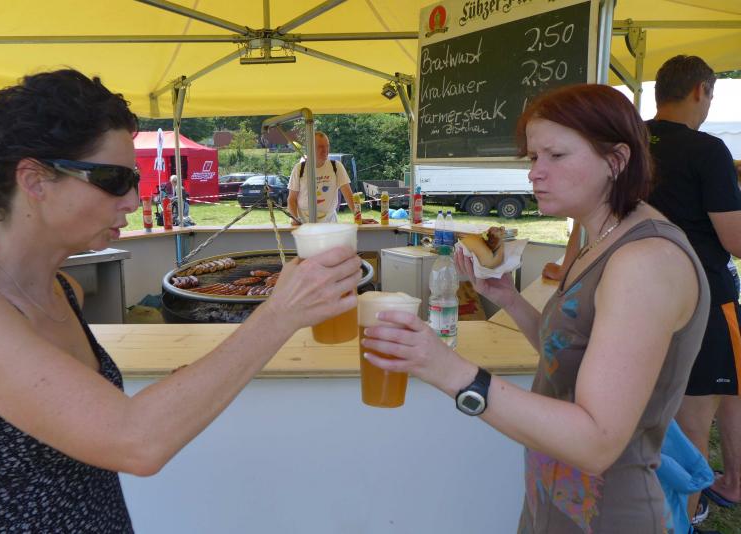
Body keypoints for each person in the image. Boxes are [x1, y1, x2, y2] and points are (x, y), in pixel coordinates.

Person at [0, 69, 361, 532]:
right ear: (35, 180)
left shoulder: (63, 291)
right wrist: (279, 313)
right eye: (114, 179)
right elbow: (134, 440)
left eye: (134, 179)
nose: (132, 199)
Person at [361, 84, 709, 533]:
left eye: (556, 156)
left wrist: (450, 370)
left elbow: (596, 442)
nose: (534, 174)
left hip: (609, 515)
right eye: (532, 157)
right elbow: (568, 350)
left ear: (616, 160)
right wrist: (507, 297)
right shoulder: (598, 238)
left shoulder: (645, 261)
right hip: (554, 504)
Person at [644, 55, 741, 520]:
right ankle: (688, 515)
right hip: (703, 296)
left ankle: (726, 483)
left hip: (637, 293)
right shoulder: (707, 150)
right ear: (701, 90)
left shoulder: (626, 140)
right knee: (693, 421)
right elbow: (735, 241)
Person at [287, 131, 356, 224]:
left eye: (327, 146)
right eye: (320, 147)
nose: (325, 150)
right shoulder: (299, 169)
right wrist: (295, 219)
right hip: (304, 224)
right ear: (311, 148)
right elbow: (292, 199)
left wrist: (357, 216)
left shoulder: (336, 166)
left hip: (329, 224)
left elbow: (348, 194)